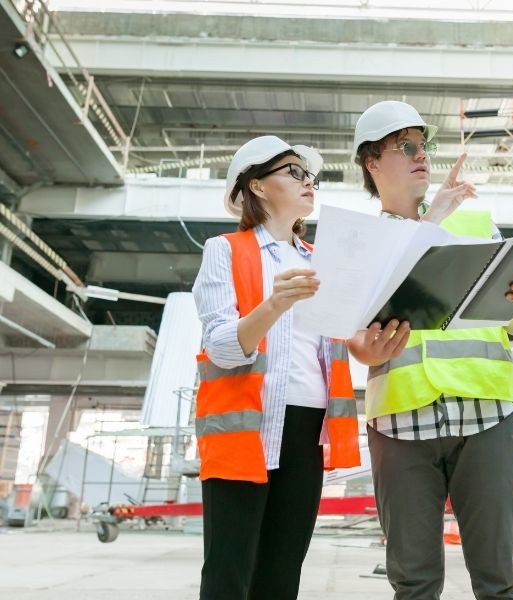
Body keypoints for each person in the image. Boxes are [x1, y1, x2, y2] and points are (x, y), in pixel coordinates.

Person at [347, 101, 513, 600]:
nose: (421, 155)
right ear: (372, 162)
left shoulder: (476, 224)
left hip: (487, 419)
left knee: (502, 580)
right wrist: (363, 351)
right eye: (405, 147)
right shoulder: (359, 243)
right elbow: (353, 336)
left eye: (424, 145)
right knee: (414, 583)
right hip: (400, 427)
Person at [191, 135, 361, 600]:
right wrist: (272, 306)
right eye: (294, 172)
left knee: (282, 574)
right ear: (258, 186)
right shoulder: (225, 250)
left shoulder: (322, 261)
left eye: (312, 177)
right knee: (229, 573)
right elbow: (220, 346)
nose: (309, 183)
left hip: (307, 427)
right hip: (243, 428)